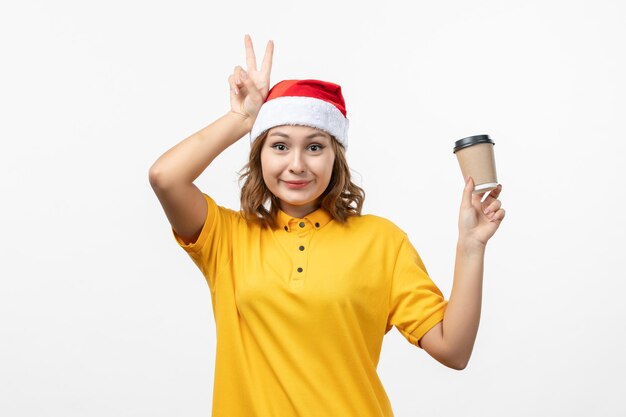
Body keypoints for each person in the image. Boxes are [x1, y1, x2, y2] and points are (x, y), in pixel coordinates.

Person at [148, 34, 505, 417]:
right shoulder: (227, 237)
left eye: (315, 146)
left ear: (336, 156)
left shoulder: (381, 242)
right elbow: (165, 177)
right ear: (259, 155)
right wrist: (242, 118)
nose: (297, 164)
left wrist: (471, 246)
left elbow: (454, 350)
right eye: (280, 145)